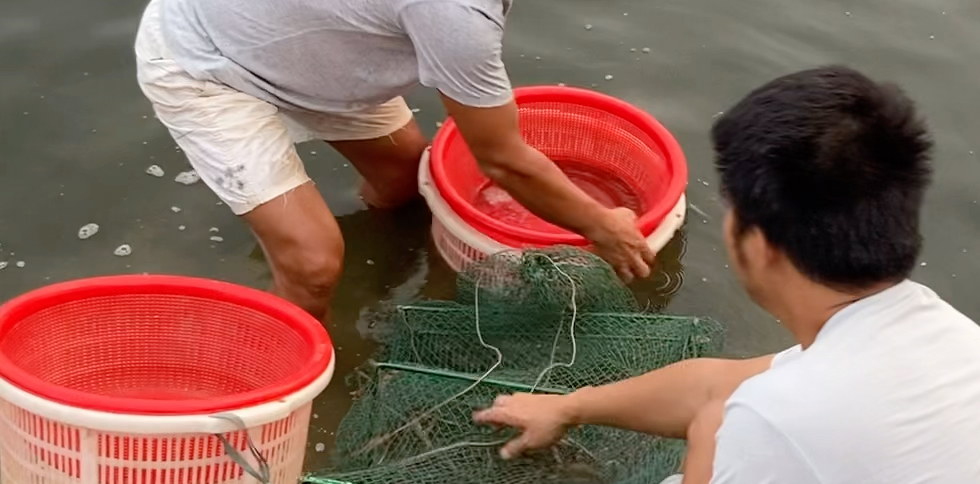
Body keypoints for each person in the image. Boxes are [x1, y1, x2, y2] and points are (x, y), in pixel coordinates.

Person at [474, 66, 980, 484]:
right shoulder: (936, 332)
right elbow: (714, 384)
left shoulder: (785, 417)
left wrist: (715, 434)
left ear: (758, 244)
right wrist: (568, 407)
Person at [133, 0, 653, 321]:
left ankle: (374, 266)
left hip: (308, 49)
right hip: (202, 62)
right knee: (313, 264)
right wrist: (602, 224)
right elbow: (500, 158)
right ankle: (293, 385)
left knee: (406, 174)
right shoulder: (455, 14)